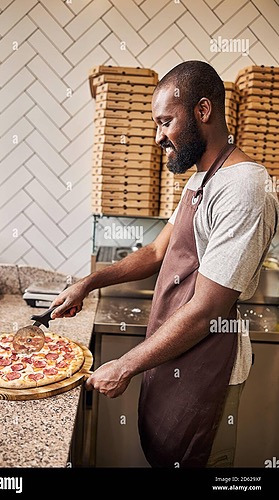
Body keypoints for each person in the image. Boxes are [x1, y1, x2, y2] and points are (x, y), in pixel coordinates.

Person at [50, 60, 279, 468]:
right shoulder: (202, 179)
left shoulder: (245, 187)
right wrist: (89, 282)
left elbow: (208, 308)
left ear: (203, 111)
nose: (158, 137)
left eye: (165, 122)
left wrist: (125, 365)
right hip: (174, 353)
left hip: (208, 369)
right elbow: (156, 253)